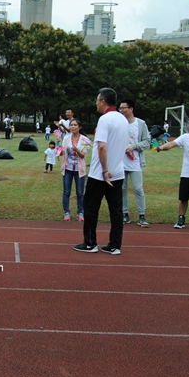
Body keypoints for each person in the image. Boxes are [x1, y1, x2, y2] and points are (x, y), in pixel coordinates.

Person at [74, 87, 130, 255]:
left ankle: (90, 243)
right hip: (118, 172)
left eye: (97, 100)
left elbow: (102, 147)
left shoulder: (105, 120)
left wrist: (105, 170)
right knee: (116, 210)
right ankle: (115, 245)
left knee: (90, 208)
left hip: (100, 174)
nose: (96, 103)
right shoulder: (123, 120)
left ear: (103, 102)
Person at [118, 99, 151, 228]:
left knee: (138, 188)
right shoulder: (119, 123)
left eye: (123, 108)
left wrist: (134, 146)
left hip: (135, 162)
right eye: (120, 108)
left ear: (131, 109)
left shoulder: (140, 123)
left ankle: (142, 215)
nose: (121, 111)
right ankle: (124, 213)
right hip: (121, 161)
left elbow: (147, 141)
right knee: (122, 188)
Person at [61, 118, 91, 222]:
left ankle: (80, 212)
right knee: (66, 191)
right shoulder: (66, 138)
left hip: (79, 170)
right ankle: (67, 212)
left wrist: (77, 150)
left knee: (80, 192)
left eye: (75, 125)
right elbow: (63, 151)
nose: (73, 127)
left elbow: (83, 156)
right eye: (71, 125)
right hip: (68, 168)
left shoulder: (85, 140)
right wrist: (59, 152)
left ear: (80, 127)